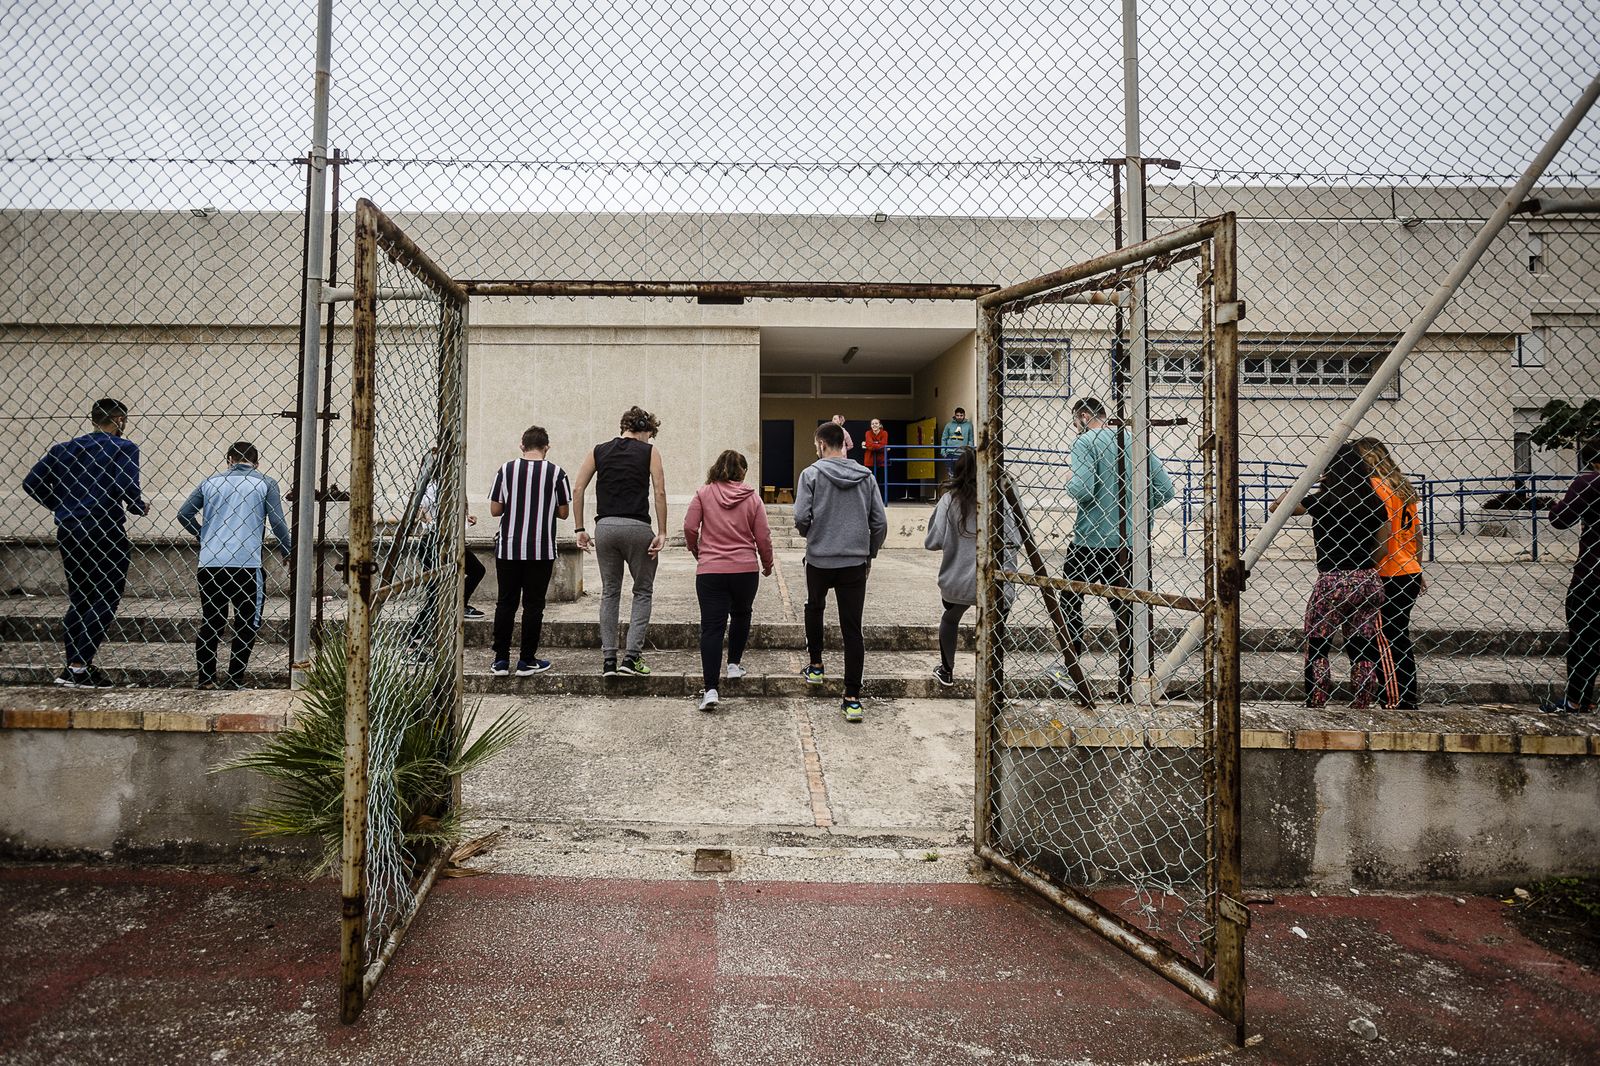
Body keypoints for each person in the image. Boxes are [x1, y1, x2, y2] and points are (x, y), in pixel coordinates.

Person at [23, 398, 147, 687]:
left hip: (70, 530)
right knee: (106, 595)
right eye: (123, 421)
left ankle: (75, 668)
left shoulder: (62, 449)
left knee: (80, 597)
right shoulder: (123, 447)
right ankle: (79, 664)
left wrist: (61, 505)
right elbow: (126, 485)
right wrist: (137, 506)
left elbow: (31, 483)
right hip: (105, 528)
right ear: (118, 420)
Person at [1057, 396, 1175, 701]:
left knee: (1070, 601)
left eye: (1075, 422)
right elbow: (1166, 490)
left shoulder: (1085, 443)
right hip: (1131, 545)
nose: (1075, 428)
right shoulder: (1137, 442)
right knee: (1128, 611)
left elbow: (1083, 489)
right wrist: (1138, 511)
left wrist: (1069, 480)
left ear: (1083, 416)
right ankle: (1130, 680)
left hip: (1090, 542)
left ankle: (1070, 669)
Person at [1271, 443, 1388, 708]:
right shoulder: (1374, 502)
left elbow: (1277, 508)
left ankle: (1318, 697)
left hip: (1332, 579)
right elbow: (1383, 547)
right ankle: (1363, 699)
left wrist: (1307, 481)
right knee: (1362, 643)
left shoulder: (1323, 501)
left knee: (1318, 641)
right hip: (1367, 579)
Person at [176, 441, 291, 689]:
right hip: (247, 565)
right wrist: (288, 551)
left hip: (210, 563)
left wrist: (202, 536)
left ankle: (206, 679)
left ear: (228, 459)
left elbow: (184, 513)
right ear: (256, 463)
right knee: (246, 622)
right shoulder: (265, 482)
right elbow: (278, 522)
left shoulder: (211, 482)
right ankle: (234, 679)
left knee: (212, 620)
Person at [795, 420, 887, 722]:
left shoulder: (810, 475)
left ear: (822, 445)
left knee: (814, 607)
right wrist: (869, 552)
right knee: (852, 629)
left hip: (820, 559)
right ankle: (851, 698)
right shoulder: (867, 476)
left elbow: (800, 517)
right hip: (854, 563)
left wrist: (811, 533)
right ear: (844, 444)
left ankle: (817, 666)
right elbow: (880, 523)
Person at [571, 406, 668, 677]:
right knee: (643, 591)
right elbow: (659, 491)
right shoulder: (650, 452)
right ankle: (632, 658)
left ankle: (609, 661)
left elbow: (578, 488)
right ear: (646, 429)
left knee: (610, 592)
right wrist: (662, 531)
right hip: (638, 528)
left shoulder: (598, 450)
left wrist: (580, 527)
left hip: (605, 528)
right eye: (651, 434)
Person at [683, 449, 774, 712]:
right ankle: (734, 664)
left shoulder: (703, 493)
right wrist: (767, 563)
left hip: (711, 570)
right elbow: (763, 536)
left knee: (711, 628)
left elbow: (690, 527)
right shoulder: (753, 498)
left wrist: (696, 549)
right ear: (742, 471)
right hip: (745, 569)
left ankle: (711, 689)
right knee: (742, 613)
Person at [487, 426, 571, 677]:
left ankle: (501, 660)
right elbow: (564, 512)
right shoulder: (557, 473)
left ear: (522, 446)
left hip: (509, 547)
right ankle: (527, 660)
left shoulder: (506, 470)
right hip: (541, 549)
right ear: (546, 447)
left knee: (506, 602)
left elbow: (494, 509)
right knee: (534, 605)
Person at [1352, 438, 1426, 710]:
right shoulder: (1402, 487)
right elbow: (1416, 534)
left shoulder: (1374, 488)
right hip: (1408, 569)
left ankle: (1398, 698)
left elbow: (1381, 538)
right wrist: (1418, 567)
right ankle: (1402, 693)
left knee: (1385, 636)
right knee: (1398, 634)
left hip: (1387, 570)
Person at [1546, 436, 1600, 715]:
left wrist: (1555, 506)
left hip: (1593, 574)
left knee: (1584, 635)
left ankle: (1577, 699)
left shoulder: (1589, 482)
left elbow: (1561, 519)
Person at [862, 417, 890, 489]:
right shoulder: (868, 433)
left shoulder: (884, 433)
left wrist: (871, 445)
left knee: (880, 482)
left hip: (881, 461)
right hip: (869, 460)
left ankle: (880, 499)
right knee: (869, 482)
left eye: (876, 423)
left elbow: (883, 444)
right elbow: (870, 445)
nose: (874, 425)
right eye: (872, 424)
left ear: (880, 425)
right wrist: (879, 445)